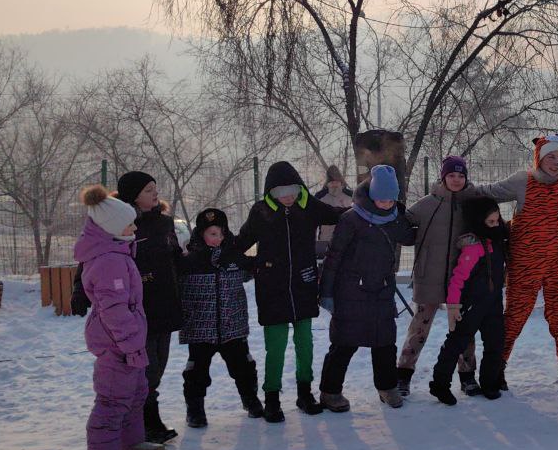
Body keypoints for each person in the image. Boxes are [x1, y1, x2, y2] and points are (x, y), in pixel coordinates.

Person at [234, 161, 343, 422]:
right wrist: (255, 265)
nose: (289, 195)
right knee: (276, 346)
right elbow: (238, 245)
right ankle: (272, 397)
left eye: (293, 188)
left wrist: (367, 207)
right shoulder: (260, 212)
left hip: (303, 286)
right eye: (282, 191)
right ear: (271, 191)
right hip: (273, 290)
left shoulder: (309, 206)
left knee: (305, 343)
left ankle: (305, 393)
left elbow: (340, 215)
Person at [75, 185, 167, 450]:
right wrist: (131, 345)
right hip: (117, 345)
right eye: (129, 222)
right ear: (113, 228)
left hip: (129, 344)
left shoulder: (119, 252)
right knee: (113, 400)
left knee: (136, 394)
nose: (135, 226)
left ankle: (131, 444)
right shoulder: (109, 262)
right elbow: (114, 310)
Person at [477, 134, 558, 390]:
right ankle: (496, 369)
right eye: (551, 157)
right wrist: (456, 188)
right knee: (515, 316)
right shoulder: (521, 181)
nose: (556, 163)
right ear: (539, 158)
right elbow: (488, 192)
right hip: (525, 265)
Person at [318, 166, 417, 411]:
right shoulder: (351, 218)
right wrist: (326, 292)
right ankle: (330, 392)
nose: (386, 203)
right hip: (350, 292)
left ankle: (387, 387)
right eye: (381, 199)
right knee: (344, 343)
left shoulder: (393, 216)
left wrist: (401, 214)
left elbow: (409, 238)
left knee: (385, 342)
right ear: (372, 195)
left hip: (382, 291)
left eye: (391, 199)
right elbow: (334, 256)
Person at [395, 156, 482, 397]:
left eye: (461, 175)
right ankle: (403, 374)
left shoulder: (472, 204)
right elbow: (403, 226)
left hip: (461, 279)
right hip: (428, 275)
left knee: (464, 329)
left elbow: (488, 225)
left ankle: (467, 376)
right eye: (452, 175)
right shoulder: (426, 204)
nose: (456, 180)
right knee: (419, 328)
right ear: (443, 177)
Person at [177, 208, 263, 428]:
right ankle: (195, 410)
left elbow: (252, 270)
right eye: (213, 234)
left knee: (243, 367)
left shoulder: (234, 258)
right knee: (196, 372)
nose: (218, 238)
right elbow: (174, 285)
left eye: (222, 234)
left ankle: (250, 400)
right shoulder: (188, 262)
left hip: (232, 326)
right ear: (201, 234)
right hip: (199, 328)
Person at [115, 171, 183, 445]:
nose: (155, 194)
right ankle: (145, 422)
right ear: (132, 197)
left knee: (159, 366)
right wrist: (79, 290)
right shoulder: (121, 224)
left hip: (165, 303)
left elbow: (176, 258)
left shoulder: (165, 223)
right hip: (138, 308)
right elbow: (97, 256)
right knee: (147, 369)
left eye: (155, 189)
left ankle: (147, 420)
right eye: (147, 190)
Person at [429, 197, 509, 405]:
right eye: (490, 222)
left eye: (497, 220)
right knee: (456, 343)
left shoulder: (499, 241)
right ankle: (440, 385)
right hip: (471, 305)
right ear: (478, 221)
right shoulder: (473, 247)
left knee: (495, 343)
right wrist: (453, 305)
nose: (496, 225)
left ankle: (490, 383)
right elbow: (458, 279)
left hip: (493, 304)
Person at [315, 164, 354, 249]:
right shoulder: (320, 196)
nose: (334, 184)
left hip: (347, 240)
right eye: (332, 181)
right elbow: (314, 219)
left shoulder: (351, 195)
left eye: (336, 181)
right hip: (325, 241)